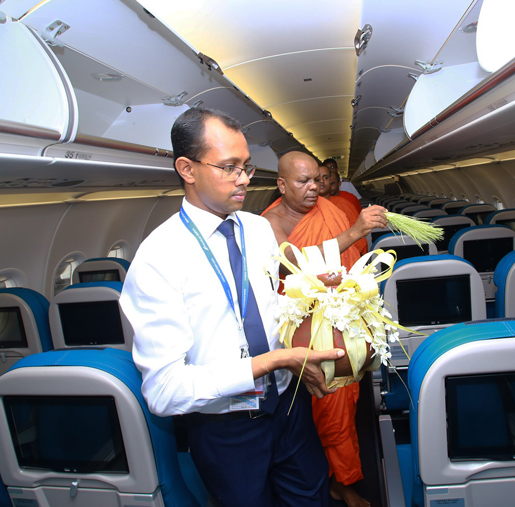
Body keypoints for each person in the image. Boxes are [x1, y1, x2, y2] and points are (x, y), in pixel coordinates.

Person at [120, 108, 345, 507]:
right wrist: (271, 361)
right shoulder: (158, 258)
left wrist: (314, 296)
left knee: (313, 499)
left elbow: (267, 305)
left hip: (289, 406)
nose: (244, 179)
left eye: (246, 166)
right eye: (229, 167)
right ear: (187, 169)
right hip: (226, 430)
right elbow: (164, 391)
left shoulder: (257, 230)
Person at [262, 152, 387, 507]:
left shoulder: (330, 210)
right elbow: (291, 264)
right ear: (282, 185)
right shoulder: (270, 221)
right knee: (307, 412)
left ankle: (341, 481)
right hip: (297, 330)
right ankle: (322, 480)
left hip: (340, 319)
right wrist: (355, 231)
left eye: (317, 180)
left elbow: (354, 258)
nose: (314, 188)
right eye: (303, 181)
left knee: (339, 408)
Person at [318, 164, 367, 255]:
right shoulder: (304, 207)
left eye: (325, 177)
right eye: (317, 179)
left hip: (346, 254)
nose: (321, 181)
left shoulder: (344, 204)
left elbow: (358, 236)